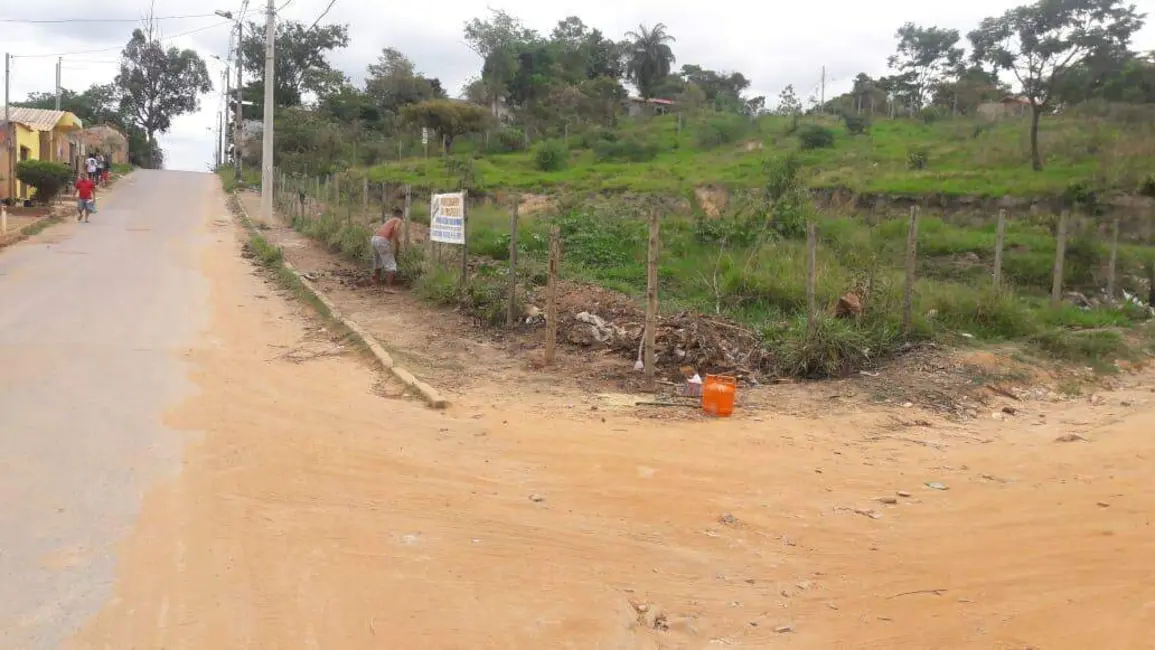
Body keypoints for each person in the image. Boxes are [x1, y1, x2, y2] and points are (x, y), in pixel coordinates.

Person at [371, 208, 403, 287]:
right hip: (382, 240)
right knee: (391, 266)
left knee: (378, 262)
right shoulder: (398, 220)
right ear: (401, 215)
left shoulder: (390, 220)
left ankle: (376, 283)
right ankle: (388, 287)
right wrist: (397, 242)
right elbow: (395, 229)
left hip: (374, 239)